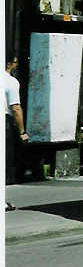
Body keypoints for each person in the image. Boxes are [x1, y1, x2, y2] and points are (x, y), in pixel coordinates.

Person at [6, 56, 28, 206]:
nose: (17, 65)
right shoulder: (11, 81)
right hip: (4, 123)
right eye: (16, 62)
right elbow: (16, 108)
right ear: (9, 64)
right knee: (5, 162)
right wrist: (22, 132)